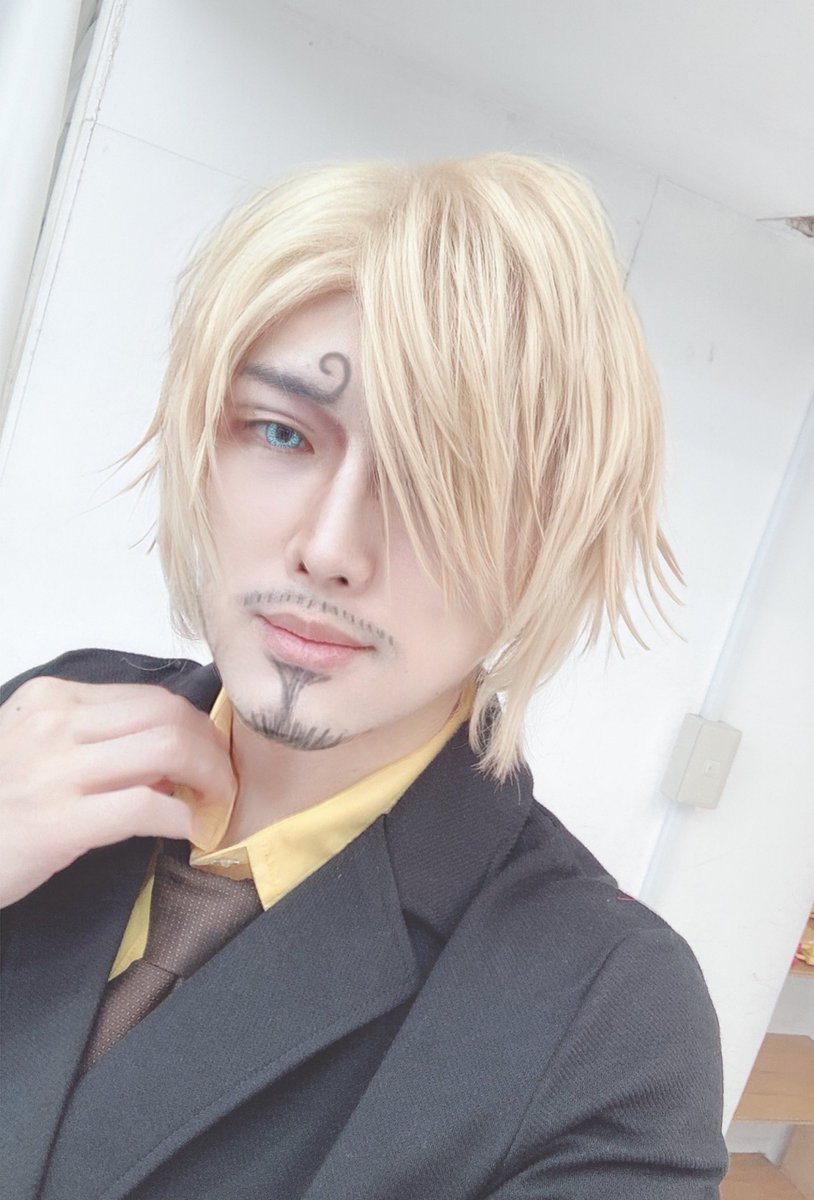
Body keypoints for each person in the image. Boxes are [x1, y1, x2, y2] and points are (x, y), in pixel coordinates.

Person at [0, 153, 729, 1199]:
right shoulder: (44, 721)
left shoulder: (607, 1015)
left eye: (437, 483)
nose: (331, 548)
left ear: (552, 544)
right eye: (282, 432)